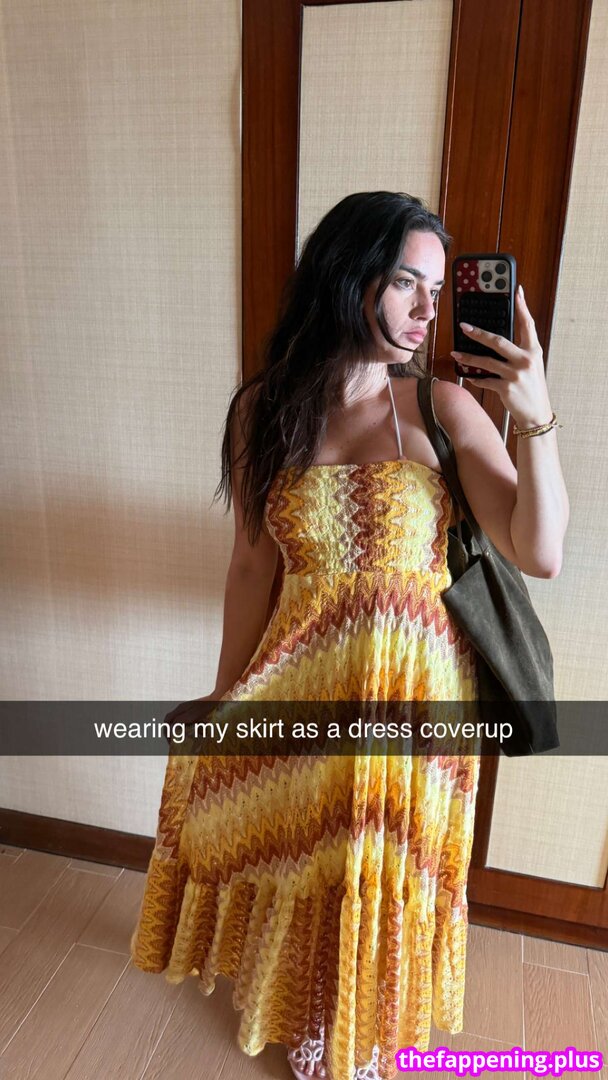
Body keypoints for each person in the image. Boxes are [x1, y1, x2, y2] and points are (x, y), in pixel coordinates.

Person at [129, 192, 569, 1080]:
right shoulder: (264, 411)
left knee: (379, 864)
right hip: (303, 678)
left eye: (437, 290)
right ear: (346, 273)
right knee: (304, 846)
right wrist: (224, 692)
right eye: (406, 281)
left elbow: (539, 551)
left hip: (414, 696)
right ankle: (302, 1000)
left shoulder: (444, 407)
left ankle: (358, 1029)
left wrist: (536, 415)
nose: (425, 309)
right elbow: (252, 565)